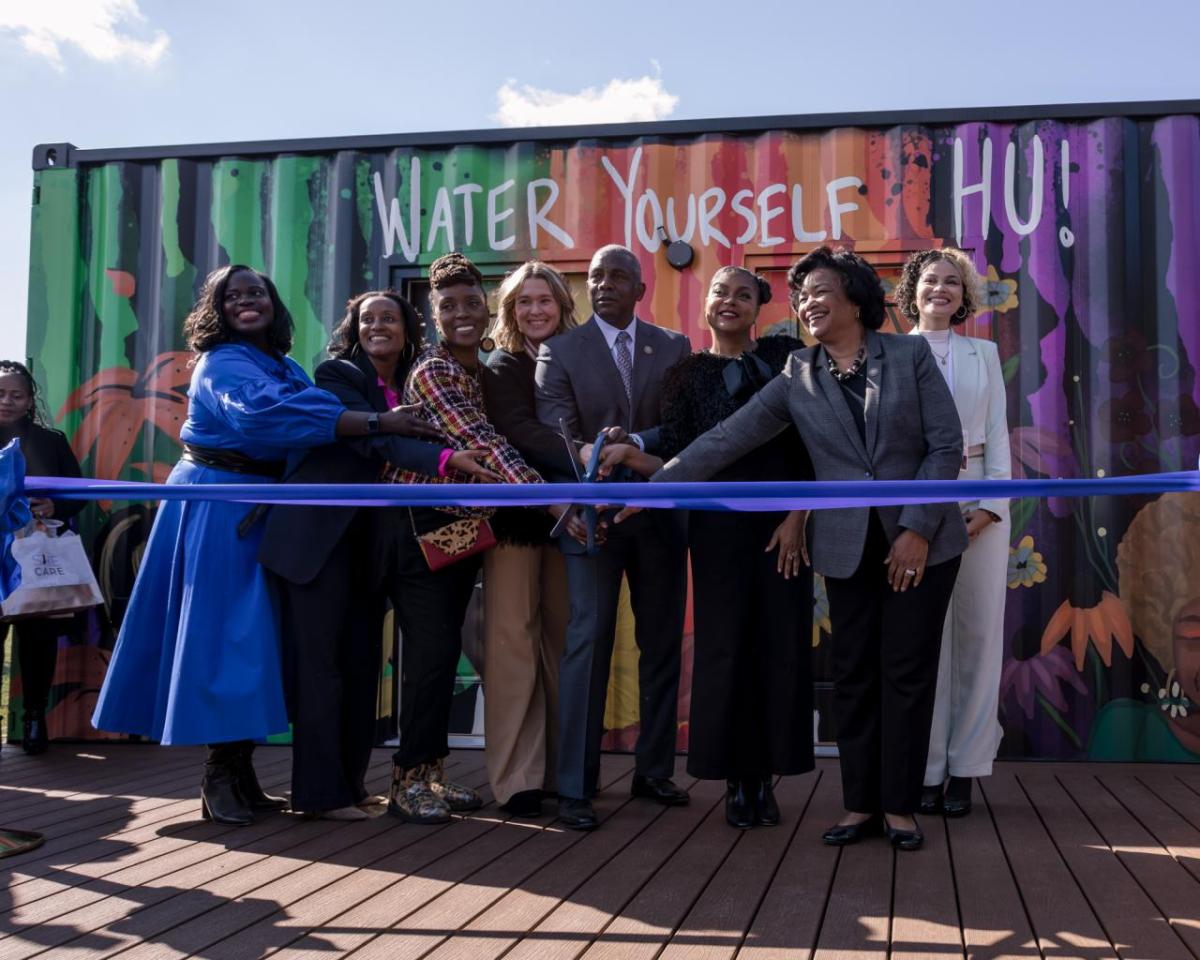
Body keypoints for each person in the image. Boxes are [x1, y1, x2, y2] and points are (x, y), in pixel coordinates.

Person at [634, 246, 967, 850]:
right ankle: (860, 805)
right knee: (855, 676)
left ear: (858, 301)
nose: (808, 304)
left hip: (919, 545)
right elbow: (726, 439)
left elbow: (945, 448)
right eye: (802, 295)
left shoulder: (910, 354)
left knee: (906, 674)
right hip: (846, 546)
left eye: (821, 292)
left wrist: (917, 529)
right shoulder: (797, 374)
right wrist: (654, 490)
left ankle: (899, 807)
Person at [92, 265, 432, 827]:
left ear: (274, 305)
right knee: (223, 635)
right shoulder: (221, 363)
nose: (247, 301)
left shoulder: (286, 365)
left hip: (264, 507)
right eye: (234, 295)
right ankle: (219, 774)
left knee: (255, 643)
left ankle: (241, 773)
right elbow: (267, 418)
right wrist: (376, 422)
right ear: (217, 309)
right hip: (220, 506)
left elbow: (318, 415)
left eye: (257, 293)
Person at [587, 267, 816, 829]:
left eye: (743, 294)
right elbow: (683, 454)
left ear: (760, 306)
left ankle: (768, 775)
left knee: (780, 648)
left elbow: (816, 440)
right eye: (720, 292)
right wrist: (632, 452)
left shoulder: (788, 356)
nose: (730, 301)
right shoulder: (685, 374)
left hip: (785, 527)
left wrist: (798, 516)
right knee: (726, 649)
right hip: (717, 531)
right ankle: (737, 779)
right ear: (705, 305)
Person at [258, 290, 498, 820]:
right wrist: (446, 457)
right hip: (328, 540)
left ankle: (391, 779)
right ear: (355, 327)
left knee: (396, 662)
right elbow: (376, 443)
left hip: (393, 538)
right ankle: (325, 795)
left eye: (389, 317)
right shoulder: (338, 376)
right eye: (368, 319)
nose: (378, 327)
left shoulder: (421, 374)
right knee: (330, 669)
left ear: (408, 326)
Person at [382, 252, 544, 825]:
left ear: (486, 305)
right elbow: (483, 445)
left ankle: (432, 775)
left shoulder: (487, 367)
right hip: (419, 529)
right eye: (448, 306)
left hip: (460, 531)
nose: (462, 314)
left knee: (444, 652)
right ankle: (408, 779)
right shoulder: (434, 371)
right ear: (434, 313)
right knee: (429, 657)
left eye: (471, 302)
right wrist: (551, 499)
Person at [534, 244, 692, 831]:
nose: (603, 284)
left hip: (656, 518)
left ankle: (654, 772)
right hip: (592, 518)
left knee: (661, 646)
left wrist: (638, 442)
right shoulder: (560, 350)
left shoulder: (674, 346)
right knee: (588, 641)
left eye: (617, 276)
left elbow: (682, 426)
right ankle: (576, 786)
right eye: (596, 276)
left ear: (640, 289)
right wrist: (594, 457)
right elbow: (554, 429)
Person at [896, 249, 1012, 819]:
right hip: (919, 514)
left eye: (951, 283)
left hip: (980, 512)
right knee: (926, 642)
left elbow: (998, 437)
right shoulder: (894, 353)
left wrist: (990, 507)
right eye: (930, 281)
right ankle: (927, 768)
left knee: (977, 639)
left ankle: (965, 768)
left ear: (964, 296)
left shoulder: (984, 354)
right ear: (912, 291)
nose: (939, 290)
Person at [480, 262, 580, 817]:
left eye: (545, 300)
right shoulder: (503, 365)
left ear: (564, 306)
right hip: (519, 521)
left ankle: (566, 772)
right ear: (510, 310)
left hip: (572, 522)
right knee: (513, 643)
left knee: (566, 643)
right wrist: (584, 459)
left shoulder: (576, 359)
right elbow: (517, 432)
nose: (535, 310)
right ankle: (518, 778)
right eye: (524, 301)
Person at [0, 360, 85, 754]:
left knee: (38, 638)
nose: (7, 401)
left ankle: (35, 718)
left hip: (37, 554)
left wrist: (56, 506)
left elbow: (77, 494)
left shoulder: (51, 441)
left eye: (17, 395)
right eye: (1, 393)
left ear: (30, 400)